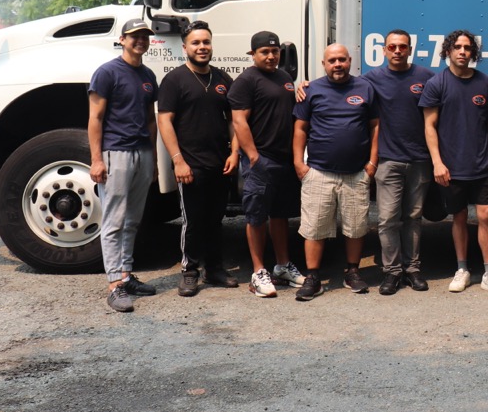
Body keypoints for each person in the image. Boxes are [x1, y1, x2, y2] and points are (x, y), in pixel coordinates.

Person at [156, 20, 239, 297]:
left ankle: (214, 269)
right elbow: (164, 121)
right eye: (196, 43)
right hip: (189, 165)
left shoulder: (222, 79)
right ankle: (189, 271)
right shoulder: (175, 80)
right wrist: (178, 161)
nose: (202, 47)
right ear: (185, 48)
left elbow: (233, 121)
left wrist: (234, 152)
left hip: (220, 163)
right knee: (192, 221)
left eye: (206, 42)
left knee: (216, 220)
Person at [420, 30, 488, 296]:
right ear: (447, 50)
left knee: (486, 215)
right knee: (458, 216)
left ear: (473, 53)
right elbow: (429, 125)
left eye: (467, 48)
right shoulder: (437, 83)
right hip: (452, 166)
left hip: (482, 163)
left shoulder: (484, 83)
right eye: (457, 47)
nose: (462, 52)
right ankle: (462, 269)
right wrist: (437, 162)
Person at [291, 44, 379, 300]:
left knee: (355, 227)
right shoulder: (311, 90)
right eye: (332, 60)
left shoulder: (364, 87)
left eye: (342, 59)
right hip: (318, 171)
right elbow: (300, 129)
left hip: (356, 173)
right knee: (314, 227)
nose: (337, 64)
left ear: (350, 61)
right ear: (324, 63)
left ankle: (352, 272)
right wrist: (299, 163)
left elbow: (375, 126)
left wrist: (372, 163)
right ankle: (313, 276)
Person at [89, 18, 160, 312]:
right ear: (122, 39)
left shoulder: (147, 75)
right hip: (115, 152)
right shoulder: (107, 72)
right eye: (134, 36)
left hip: (142, 152)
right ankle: (114, 285)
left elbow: (151, 119)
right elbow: (95, 118)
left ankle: (126, 276)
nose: (140, 40)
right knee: (114, 221)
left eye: (144, 36)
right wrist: (95, 159)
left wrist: (153, 159)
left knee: (132, 220)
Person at [229, 31, 306, 297]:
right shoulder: (246, 81)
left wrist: (303, 89)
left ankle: (282, 266)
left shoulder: (284, 78)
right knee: (256, 216)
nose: (271, 56)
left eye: (275, 52)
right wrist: (252, 157)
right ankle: (258, 271)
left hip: (284, 159)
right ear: (253, 54)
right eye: (265, 52)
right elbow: (239, 122)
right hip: (261, 159)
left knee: (281, 215)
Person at [363, 30, 433, 295]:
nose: (397, 51)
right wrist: (307, 85)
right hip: (388, 161)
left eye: (402, 47)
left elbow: (451, 90)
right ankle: (392, 273)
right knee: (388, 219)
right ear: (384, 50)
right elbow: (343, 86)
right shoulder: (371, 79)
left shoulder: (426, 77)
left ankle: (412, 269)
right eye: (392, 46)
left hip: (419, 159)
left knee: (413, 217)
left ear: (410, 49)